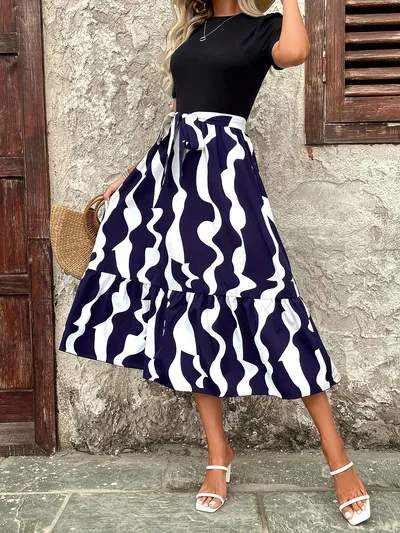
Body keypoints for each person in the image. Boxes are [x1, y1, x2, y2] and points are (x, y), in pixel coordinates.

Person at [58, 0, 370, 524]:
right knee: (193, 309)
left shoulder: (265, 29)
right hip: (176, 184)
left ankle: (337, 457)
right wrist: (131, 174)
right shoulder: (193, 33)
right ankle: (218, 453)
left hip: (227, 181)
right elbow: (177, 120)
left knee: (270, 298)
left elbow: (296, 52)